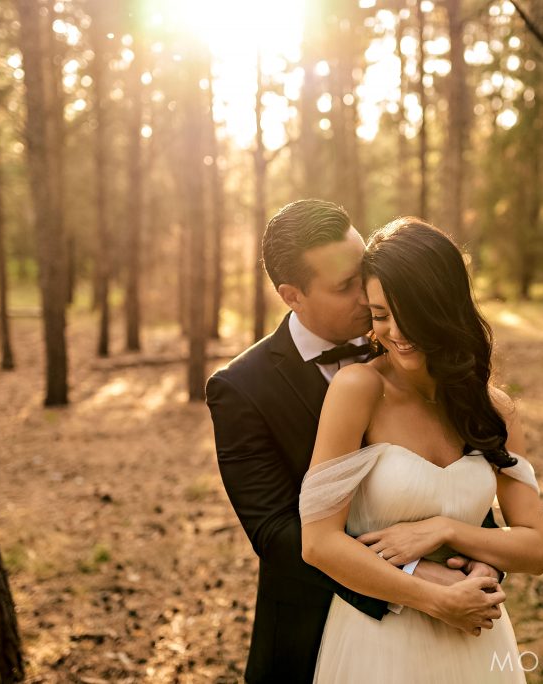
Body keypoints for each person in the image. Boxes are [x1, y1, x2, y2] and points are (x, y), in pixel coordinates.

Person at [206, 200, 508, 684]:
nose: (368, 295)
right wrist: (412, 576)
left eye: (364, 269)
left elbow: (457, 469)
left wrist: (478, 564)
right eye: (346, 286)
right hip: (312, 629)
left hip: (449, 627)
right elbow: (276, 532)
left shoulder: (410, 341)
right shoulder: (242, 389)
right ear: (292, 295)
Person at [299, 217, 543, 682]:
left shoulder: (493, 408)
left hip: (478, 641)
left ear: (443, 304)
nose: (396, 331)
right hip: (379, 646)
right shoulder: (358, 389)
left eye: (408, 311)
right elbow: (318, 543)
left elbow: (535, 548)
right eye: (380, 315)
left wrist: (444, 530)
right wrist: (434, 598)